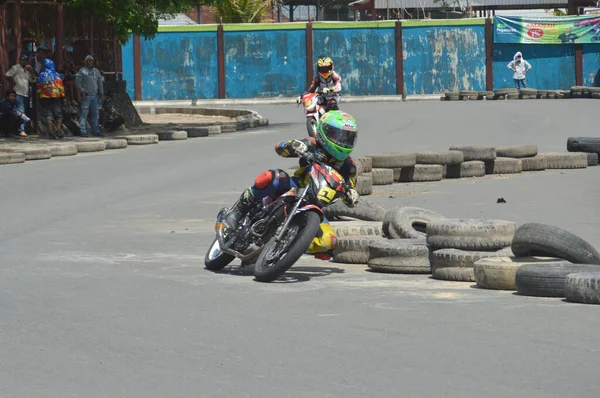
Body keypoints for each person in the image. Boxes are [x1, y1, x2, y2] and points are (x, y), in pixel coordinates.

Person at [222, 110, 360, 257]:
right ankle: (238, 210)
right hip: (294, 187)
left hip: (315, 206)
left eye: (348, 138)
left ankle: (290, 245)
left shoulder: (349, 166)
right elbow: (279, 148)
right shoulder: (313, 144)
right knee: (272, 177)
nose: (343, 141)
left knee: (328, 241)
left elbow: (350, 191)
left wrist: (351, 194)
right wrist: (294, 145)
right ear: (324, 132)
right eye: (339, 135)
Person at [5, 54, 34, 137]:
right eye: (23, 60)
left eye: (26, 60)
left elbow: (33, 79)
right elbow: (8, 75)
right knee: (21, 111)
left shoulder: (27, 70)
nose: (24, 61)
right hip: (18, 93)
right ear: (20, 60)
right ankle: (21, 130)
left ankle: (21, 128)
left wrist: (31, 71)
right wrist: (13, 82)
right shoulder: (16, 67)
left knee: (23, 111)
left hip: (25, 93)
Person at [75, 55, 105, 137]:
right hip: (86, 97)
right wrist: (82, 92)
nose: (90, 63)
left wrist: (101, 94)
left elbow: (100, 83)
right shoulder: (82, 71)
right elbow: (77, 83)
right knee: (84, 114)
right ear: (85, 62)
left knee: (95, 115)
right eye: (88, 61)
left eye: (91, 61)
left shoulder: (96, 71)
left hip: (95, 96)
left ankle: (96, 131)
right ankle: (83, 131)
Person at [36, 58, 66, 139]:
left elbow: (39, 88)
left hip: (45, 98)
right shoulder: (57, 75)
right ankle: (59, 130)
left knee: (48, 115)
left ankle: (51, 132)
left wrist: (39, 96)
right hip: (56, 97)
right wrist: (63, 96)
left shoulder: (41, 75)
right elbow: (60, 87)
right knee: (58, 114)